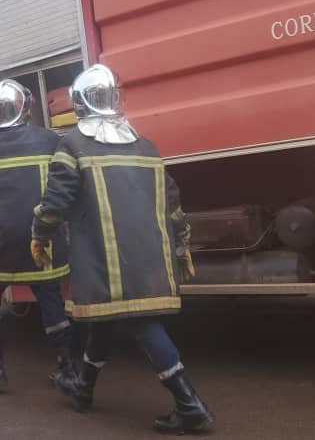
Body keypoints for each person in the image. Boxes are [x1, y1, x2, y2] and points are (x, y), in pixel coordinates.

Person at [32, 64, 212, 434]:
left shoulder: (72, 146)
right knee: (107, 317)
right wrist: (182, 243)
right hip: (149, 255)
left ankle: (189, 404)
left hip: (106, 259)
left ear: (80, 104)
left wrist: (40, 235)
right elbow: (172, 203)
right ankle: (82, 388)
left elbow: (56, 202)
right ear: (115, 100)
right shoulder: (147, 148)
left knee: (141, 322)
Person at [0, 79, 76, 392]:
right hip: (42, 237)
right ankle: (68, 368)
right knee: (50, 297)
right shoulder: (49, 140)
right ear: (25, 109)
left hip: (3, 240)